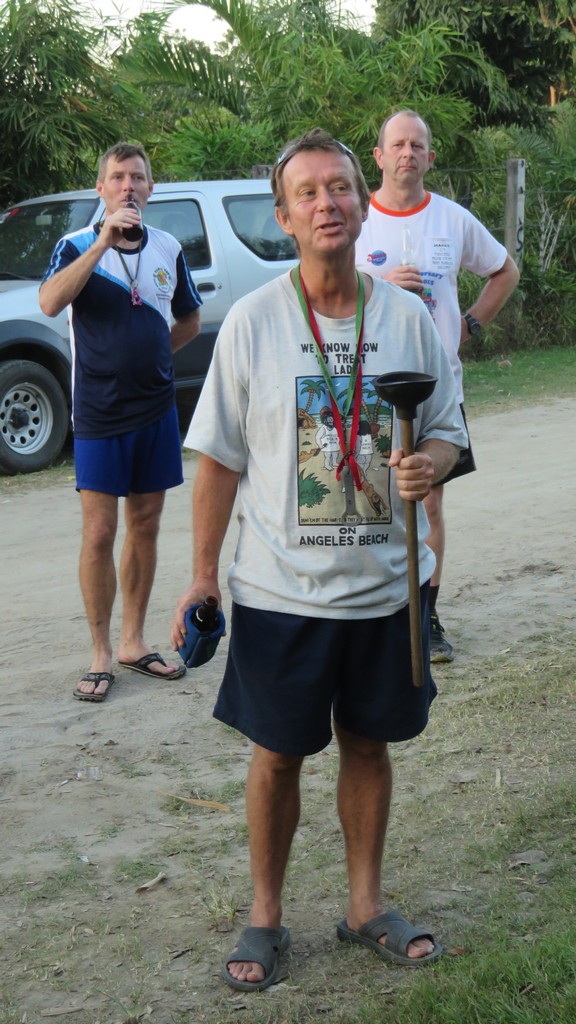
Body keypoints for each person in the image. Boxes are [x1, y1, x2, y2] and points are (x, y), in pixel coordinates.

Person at [170, 128, 468, 990]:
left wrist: (429, 463)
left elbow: (449, 431)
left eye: (339, 187)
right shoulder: (254, 323)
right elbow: (219, 461)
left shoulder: (406, 319)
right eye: (308, 193)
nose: (327, 203)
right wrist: (202, 575)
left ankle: (365, 906)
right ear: (285, 216)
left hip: (384, 591)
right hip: (280, 592)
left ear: (361, 203)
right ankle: (265, 917)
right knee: (276, 755)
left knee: (369, 747)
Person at [39, 142, 202, 702]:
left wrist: (154, 361)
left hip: (155, 408)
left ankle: (133, 643)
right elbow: (50, 303)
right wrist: (102, 242)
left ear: (151, 188)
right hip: (99, 410)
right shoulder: (75, 245)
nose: (128, 186)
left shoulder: (168, 247)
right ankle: (101, 653)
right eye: (117, 177)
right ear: (102, 188)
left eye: (137, 177)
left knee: (147, 524)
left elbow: (189, 320)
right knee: (99, 532)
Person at [356, 110, 520, 662]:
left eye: (417, 145)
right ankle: (371, 617)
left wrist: (469, 324)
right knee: (366, 500)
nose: (407, 153)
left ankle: (426, 617)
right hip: (370, 385)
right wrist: (378, 284)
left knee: (427, 502)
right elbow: (325, 288)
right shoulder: (357, 220)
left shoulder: (451, 218)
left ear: (430, 157)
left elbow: (505, 270)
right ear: (378, 157)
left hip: (436, 386)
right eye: (397, 144)